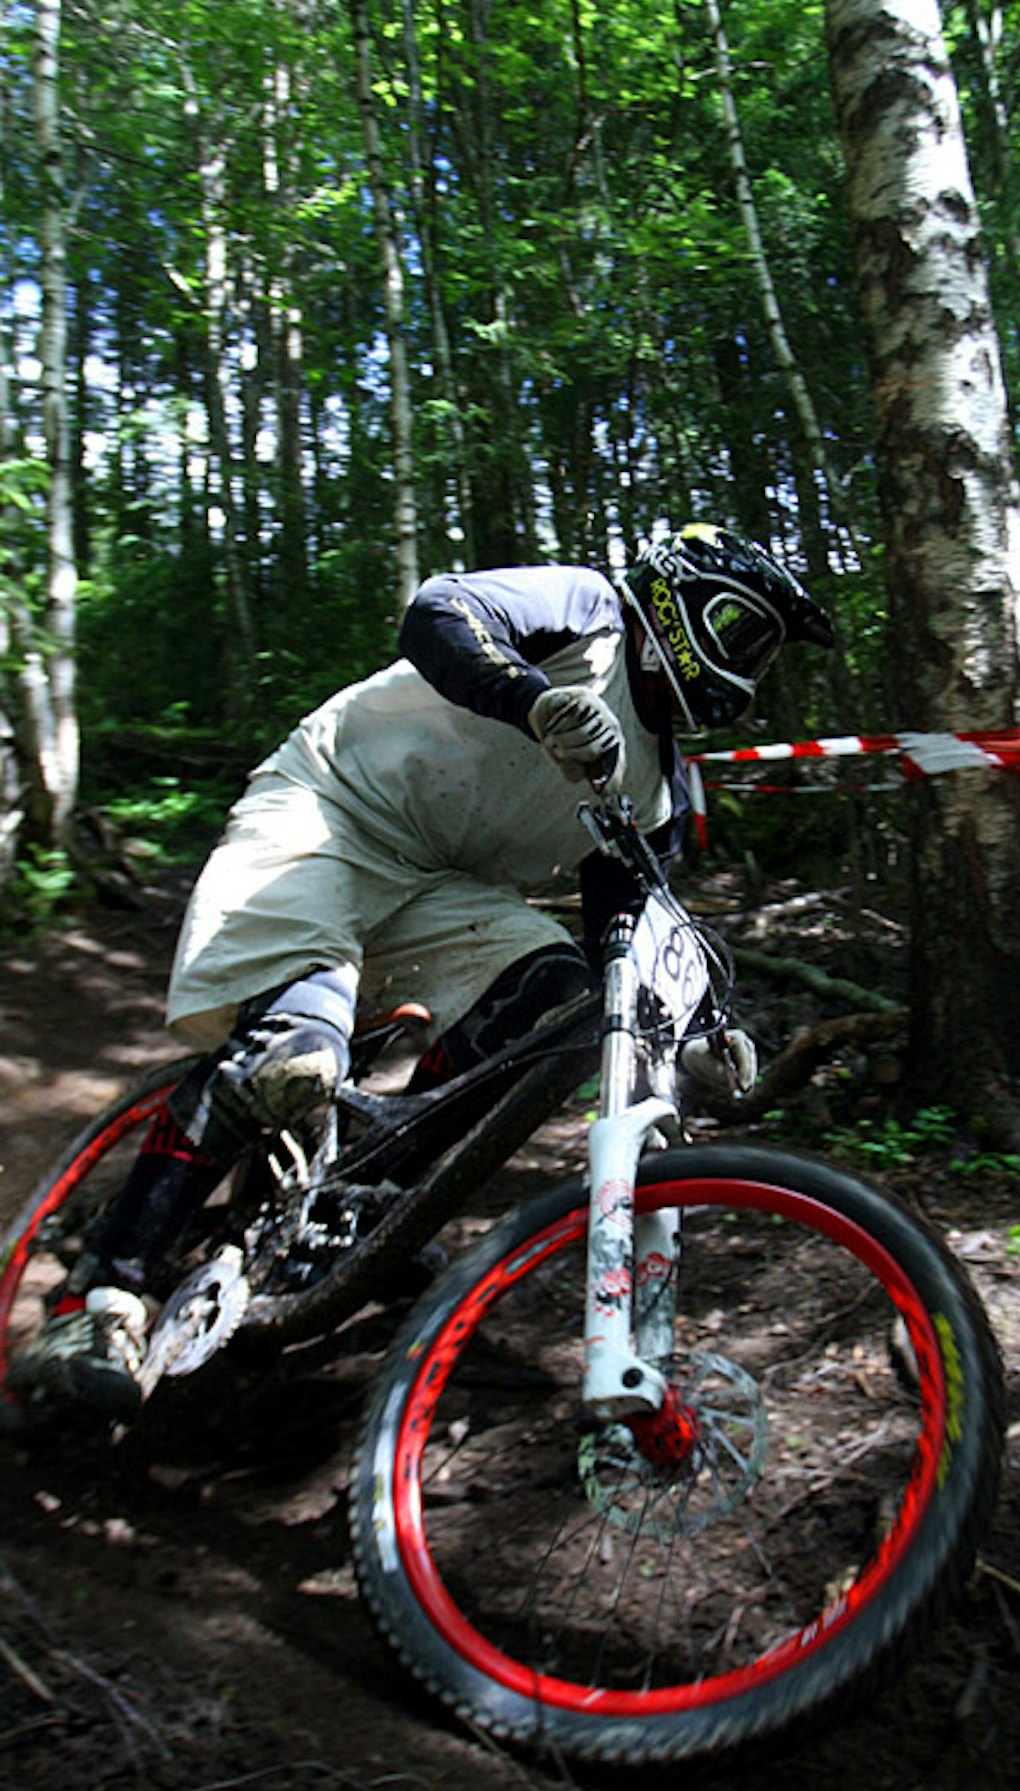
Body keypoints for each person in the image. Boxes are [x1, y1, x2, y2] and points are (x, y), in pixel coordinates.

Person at [12, 523, 834, 1415]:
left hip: (446, 888)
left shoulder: (659, 790)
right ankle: (98, 1296)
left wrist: (694, 1030)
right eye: (740, 632)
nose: (747, 666)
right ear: (678, 599)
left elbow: (624, 938)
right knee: (294, 1057)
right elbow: (441, 612)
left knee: (560, 1008)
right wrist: (533, 701)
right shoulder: (589, 609)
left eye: (761, 652)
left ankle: (369, 1204)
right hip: (328, 812)